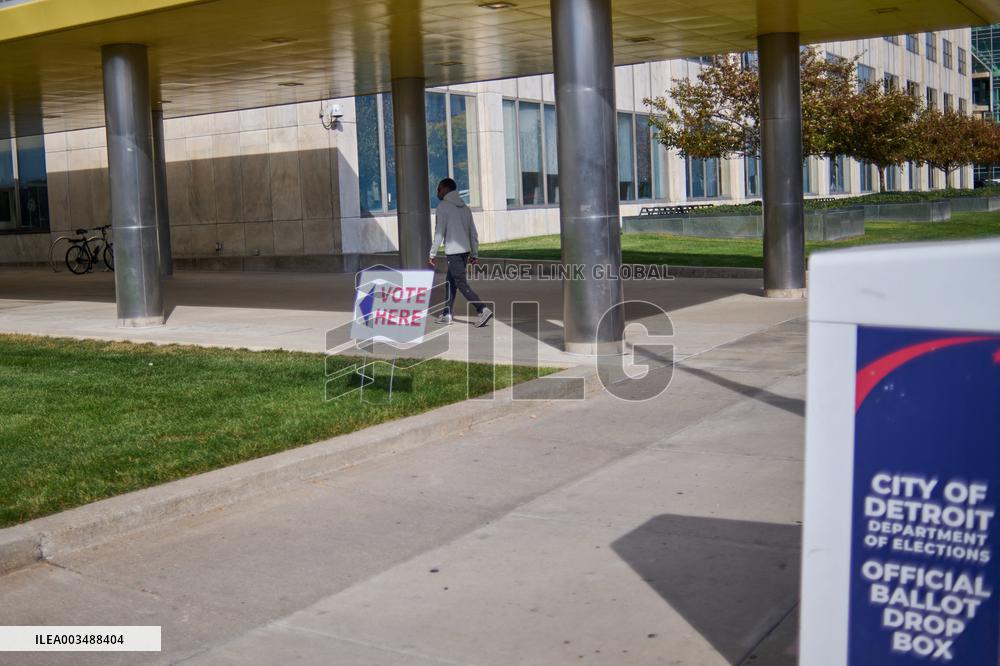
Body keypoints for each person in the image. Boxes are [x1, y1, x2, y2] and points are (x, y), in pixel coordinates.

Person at [428, 178, 493, 327]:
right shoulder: (465, 208)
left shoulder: (443, 207)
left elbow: (439, 233)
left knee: (461, 283)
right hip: (464, 253)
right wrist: (474, 254)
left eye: (439, 188)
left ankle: (482, 309)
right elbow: (473, 234)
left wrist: (432, 253)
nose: (437, 192)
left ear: (445, 189)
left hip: (454, 253)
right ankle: (447, 314)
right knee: (450, 283)